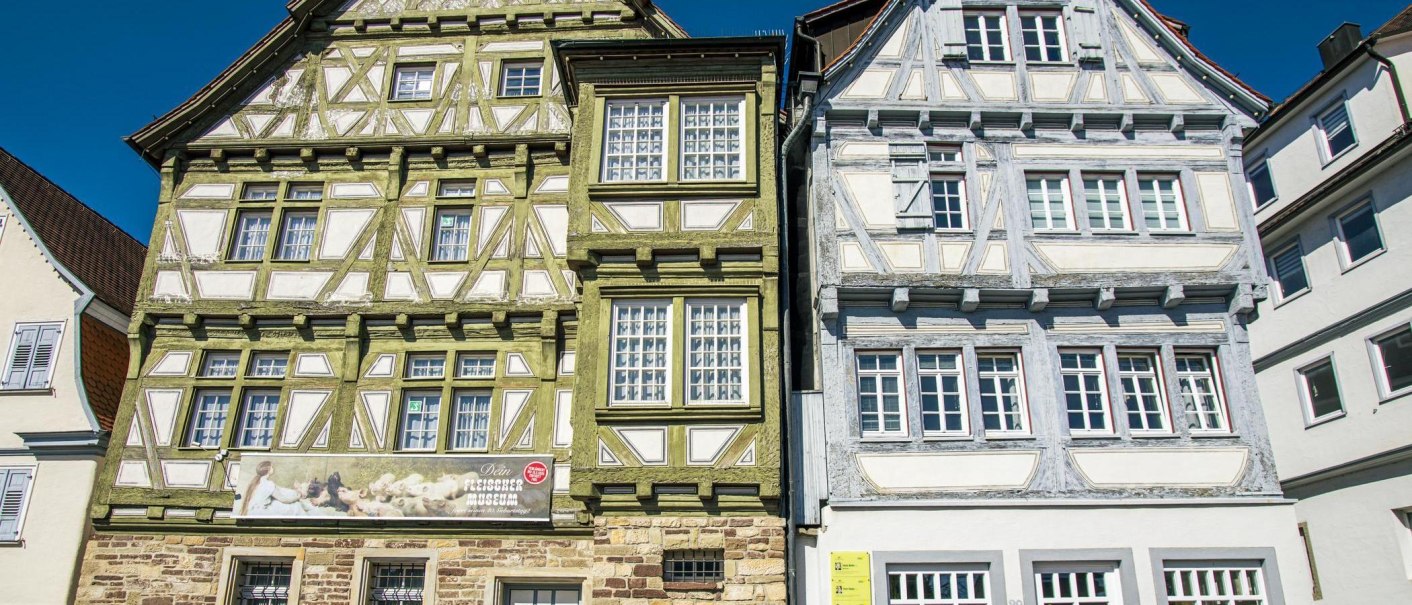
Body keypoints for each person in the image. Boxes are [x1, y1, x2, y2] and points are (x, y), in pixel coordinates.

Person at [240, 460, 316, 516]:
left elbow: (280, 490)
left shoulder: (260, 482)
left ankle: (307, 507)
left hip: (253, 511)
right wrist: (297, 497)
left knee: (285, 503)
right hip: (260, 512)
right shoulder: (267, 484)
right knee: (295, 506)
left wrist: (296, 491)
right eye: (272, 467)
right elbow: (283, 499)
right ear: (269, 469)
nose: (274, 468)